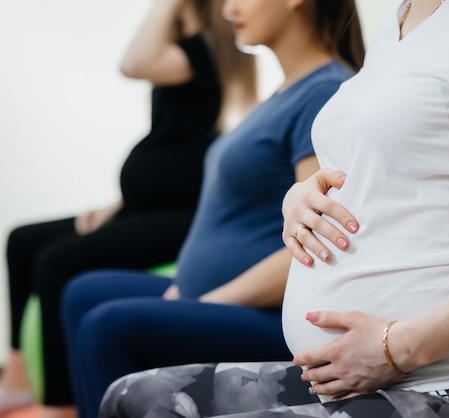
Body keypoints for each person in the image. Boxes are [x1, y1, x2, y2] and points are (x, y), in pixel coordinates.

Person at [97, 0, 449, 417]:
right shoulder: (400, 25)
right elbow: (399, 171)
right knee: (131, 400)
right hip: (353, 376)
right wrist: (300, 199)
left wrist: (397, 347)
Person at [61, 0, 365, 417]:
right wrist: (186, 287)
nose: (227, 9)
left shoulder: (323, 91)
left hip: (264, 313)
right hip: (212, 294)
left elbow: (318, 240)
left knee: (108, 325)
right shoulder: (287, 91)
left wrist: (206, 302)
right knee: (82, 292)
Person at [0, 0, 257, 417]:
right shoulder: (185, 47)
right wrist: (119, 204)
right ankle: (15, 375)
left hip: (180, 216)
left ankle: (59, 405)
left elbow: (133, 63)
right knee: (23, 240)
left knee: (55, 261)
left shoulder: (203, 52)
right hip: (145, 205)